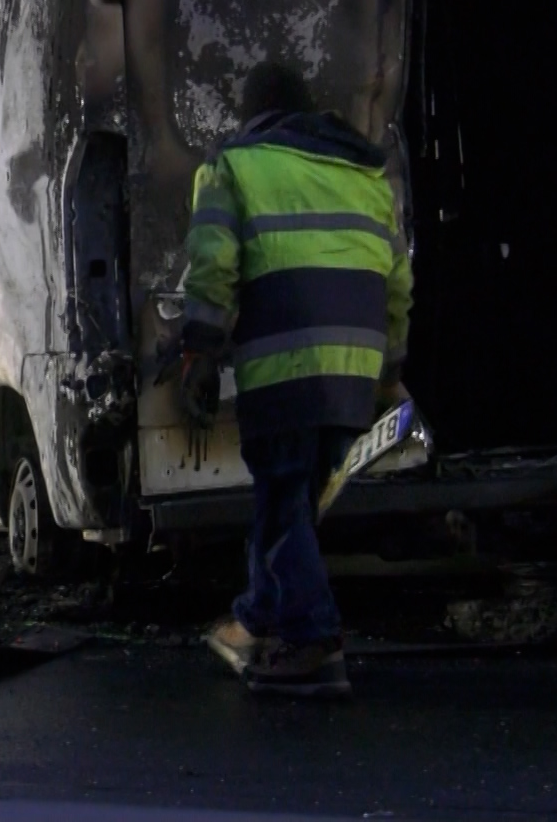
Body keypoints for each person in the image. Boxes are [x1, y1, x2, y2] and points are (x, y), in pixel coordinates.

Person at [173, 62, 413, 698]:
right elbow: (399, 286)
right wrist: (390, 374)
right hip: (357, 372)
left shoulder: (233, 167)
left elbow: (212, 267)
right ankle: (256, 620)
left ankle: (314, 641)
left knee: (283, 500)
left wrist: (198, 354)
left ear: (255, 117)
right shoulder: (367, 178)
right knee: (294, 506)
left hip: (285, 363)